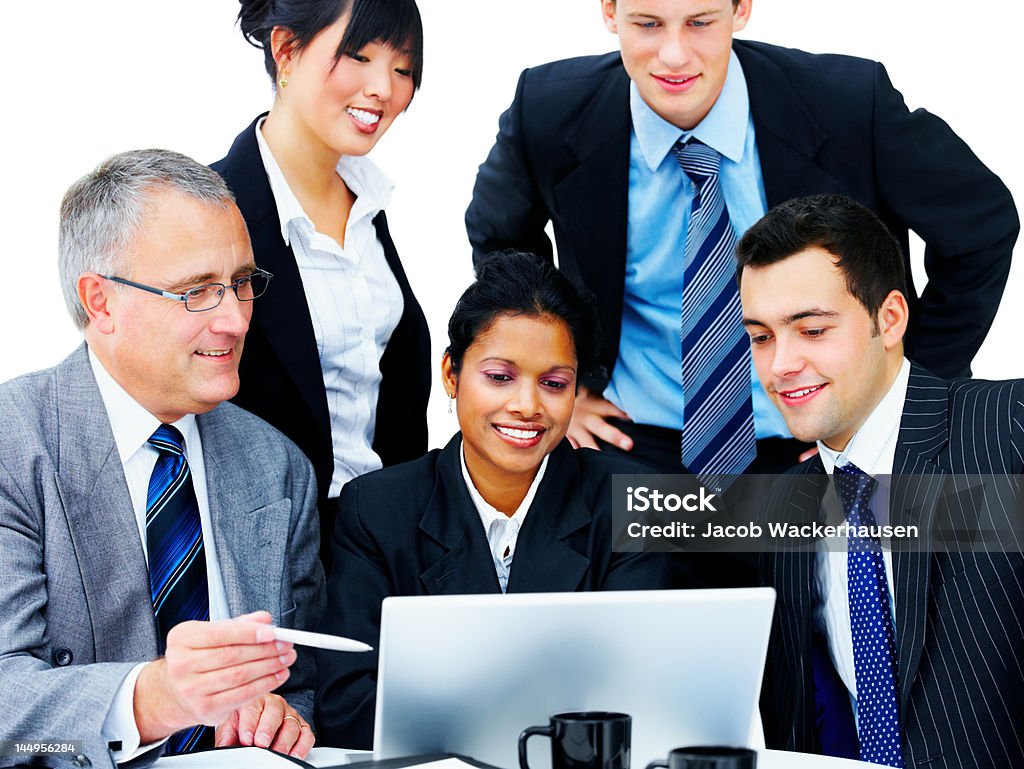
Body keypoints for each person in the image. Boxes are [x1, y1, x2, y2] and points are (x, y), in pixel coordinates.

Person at [466, 0, 1018, 479]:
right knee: (636, 601)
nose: (675, 55)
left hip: (823, 442)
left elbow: (982, 226)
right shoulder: (547, 109)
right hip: (634, 445)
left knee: (845, 597)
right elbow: (500, 239)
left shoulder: (849, 103)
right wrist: (561, 383)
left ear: (741, 10)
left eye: (701, 22)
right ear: (610, 14)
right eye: (649, 23)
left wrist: (900, 399)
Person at [0, 150, 325, 767]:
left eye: (241, 284)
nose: (233, 319)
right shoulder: (13, 445)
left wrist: (278, 717)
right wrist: (152, 700)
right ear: (100, 302)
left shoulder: (278, 467)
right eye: (196, 291)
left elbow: (302, 683)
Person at [313, 251, 672, 748]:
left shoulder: (635, 501)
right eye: (500, 377)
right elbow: (348, 708)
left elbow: (639, 697)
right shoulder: (375, 509)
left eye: (553, 383)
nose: (526, 405)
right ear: (452, 375)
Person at [736, 194, 1024, 768]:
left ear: (889, 319)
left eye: (812, 330)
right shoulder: (780, 511)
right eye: (761, 337)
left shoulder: (1008, 427)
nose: (779, 365)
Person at [213, 0, 431, 571]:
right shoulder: (210, 211)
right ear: (285, 49)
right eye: (358, 57)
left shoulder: (370, 206)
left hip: (382, 540)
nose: (384, 88)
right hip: (267, 555)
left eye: (403, 69)